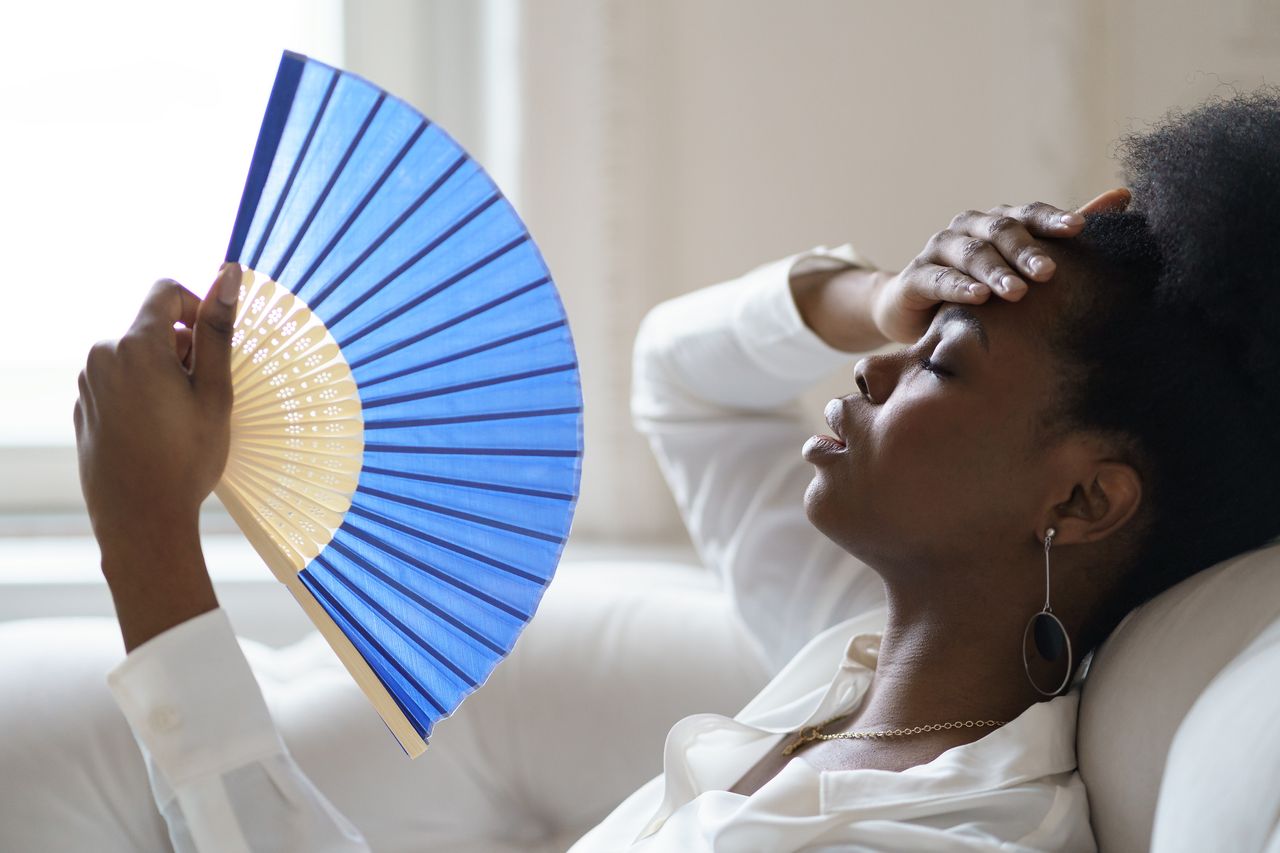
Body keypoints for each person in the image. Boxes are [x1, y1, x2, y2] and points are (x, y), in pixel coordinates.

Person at [56, 88, 1280, 850]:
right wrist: (882, 295)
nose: (868, 372)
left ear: (1077, 498)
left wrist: (151, 543)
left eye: (938, 365)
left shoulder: (932, 832)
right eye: (900, 346)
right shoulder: (858, 664)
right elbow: (683, 379)